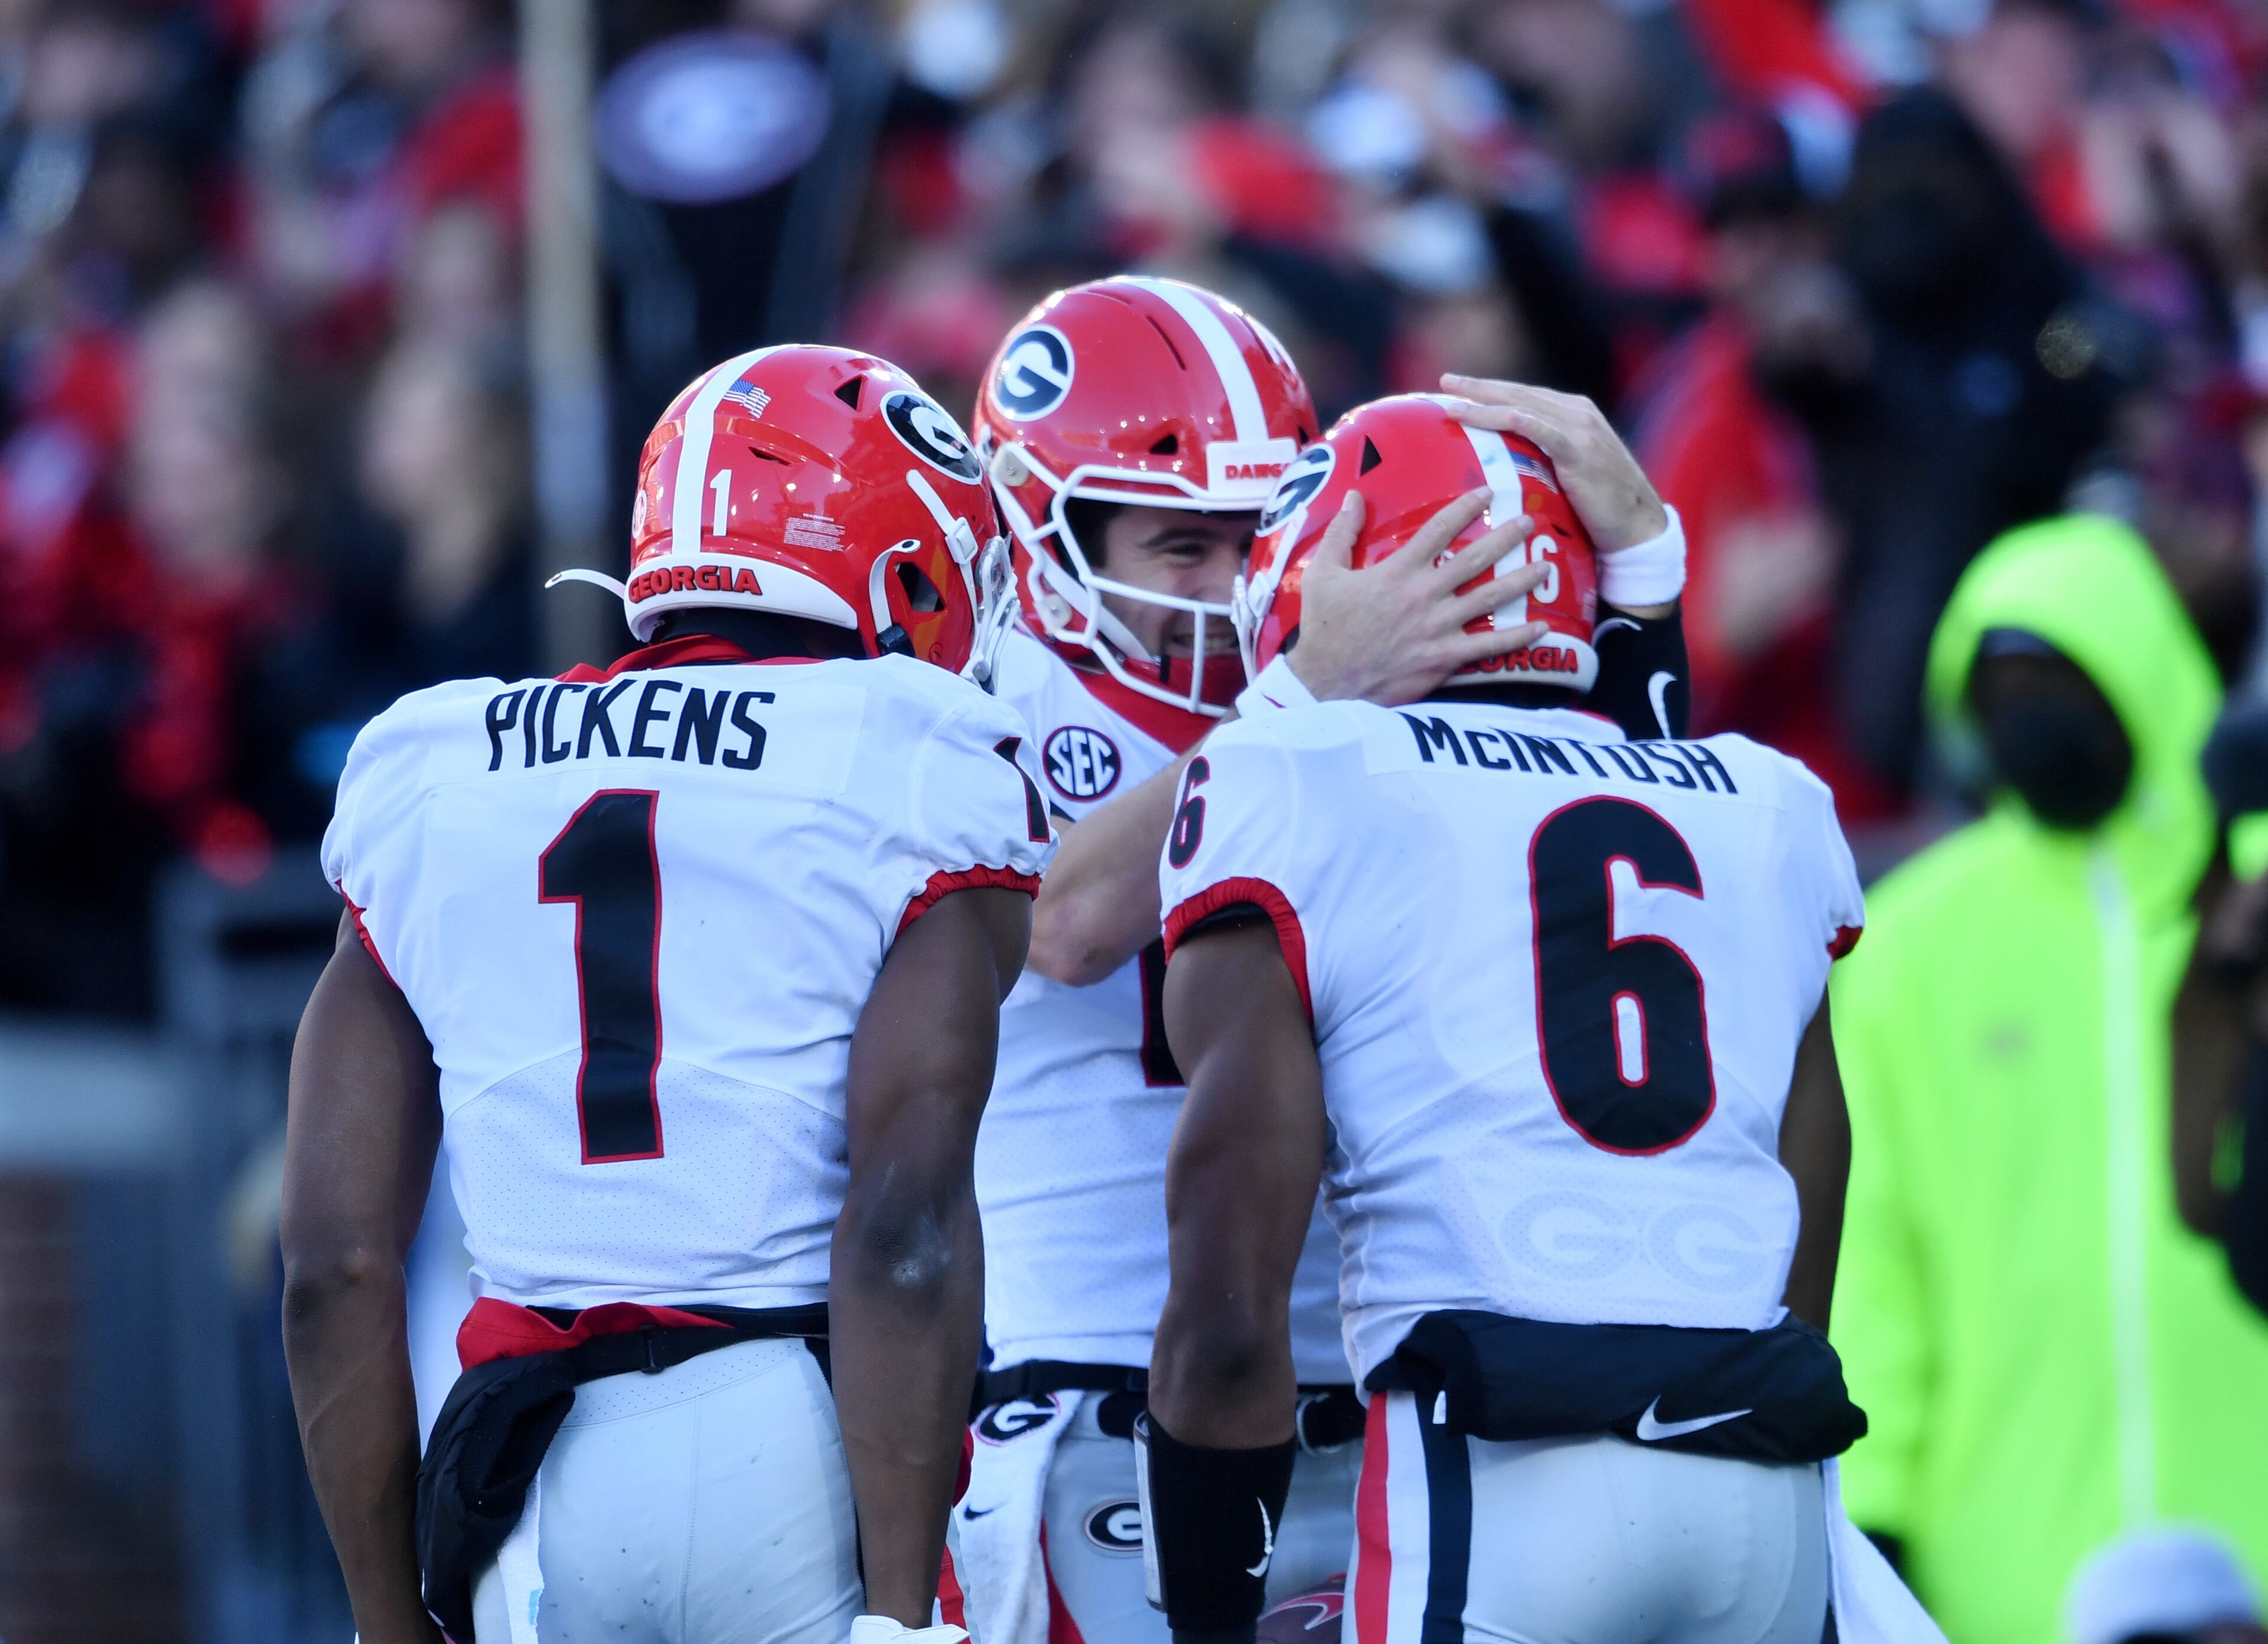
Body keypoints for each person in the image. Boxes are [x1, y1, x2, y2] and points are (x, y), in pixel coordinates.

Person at [948, 276, 1693, 1644]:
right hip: (1095, 1392)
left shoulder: (1356, 684)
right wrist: (1296, 703)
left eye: (1254, 539)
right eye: (1183, 546)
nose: (1235, 590)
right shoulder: (972, 698)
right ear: (1041, 527)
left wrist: (1643, 585)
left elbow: (1632, 857)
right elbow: (1054, 921)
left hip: (1394, 1406)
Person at [280, 343, 1051, 1644]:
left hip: (530, 1469)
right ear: (901, 559)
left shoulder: (433, 762)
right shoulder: (904, 756)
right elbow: (904, 1225)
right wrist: (903, 1616)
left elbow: (334, 1265)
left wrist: (382, 1617)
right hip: (796, 1437)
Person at [1139, 394, 1934, 1644]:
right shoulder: (1766, 801)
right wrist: (1650, 590)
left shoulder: (1289, 774)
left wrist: (1204, 1611)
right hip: (1764, 1480)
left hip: (1495, 1469)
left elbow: (1232, 1320)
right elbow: (1801, 1228)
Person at [1830, 515, 2268, 1644]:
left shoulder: (2252, 898)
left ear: (2144, 671)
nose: (2033, 715)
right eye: (2003, 687)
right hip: (2000, 1579)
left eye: (2063, 677)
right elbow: (1870, 1255)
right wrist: (1872, 1515)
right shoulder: (1911, 944)